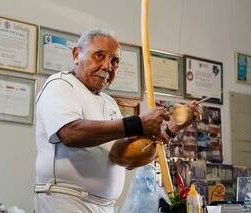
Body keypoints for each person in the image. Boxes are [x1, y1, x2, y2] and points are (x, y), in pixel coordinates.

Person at [34, 28, 199, 213]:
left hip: (105, 206)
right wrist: (137, 123)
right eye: (99, 56)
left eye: (114, 61)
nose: (107, 66)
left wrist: (172, 128)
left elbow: (127, 158)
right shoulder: (60, 84)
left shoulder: (109, 103)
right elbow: (70, 133)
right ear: (76, 55)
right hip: (66, 201)